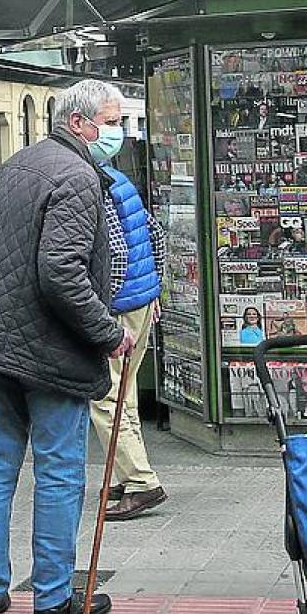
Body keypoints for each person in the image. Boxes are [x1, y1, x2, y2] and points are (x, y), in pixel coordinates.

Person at [0, 79, 135, 614]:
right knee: (59, 473)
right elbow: (61, 271)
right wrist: (106, 331)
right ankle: (52, 598)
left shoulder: (21, 162)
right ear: (79, 123)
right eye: (111, 121)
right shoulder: (77, 176)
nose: (118, 132)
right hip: (47, 350)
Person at [92, 147, 168, 521]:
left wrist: (102, 311)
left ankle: (140, 481)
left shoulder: (96, 186)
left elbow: (116, 255)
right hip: (140, 300)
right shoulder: (119, 180)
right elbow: (155, 235)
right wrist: (155, 289)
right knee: (125, 391)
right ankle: (126, 470)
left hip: (120, 306)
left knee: (105, 397)